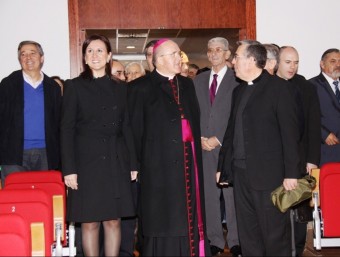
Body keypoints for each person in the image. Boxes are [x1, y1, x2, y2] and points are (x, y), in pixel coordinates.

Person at [217, 40, 301, 256]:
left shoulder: (278, 89)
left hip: (271, 177)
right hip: (241, 175)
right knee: (248, 235)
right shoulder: (238, 91)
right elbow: (231, 133)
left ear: (252, 60)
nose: (232, 61)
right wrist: (223, 166)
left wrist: (292, 173)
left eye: (237, 56)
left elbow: (290, 135)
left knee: (274, 235)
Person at [127, 38, 210, 256]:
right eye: (174, 54)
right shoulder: (140, 87)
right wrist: (134, 164)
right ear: (159, 60)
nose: (179, 58)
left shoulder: (187, 84)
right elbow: (133, 129)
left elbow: (194, 120)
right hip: (157, 165)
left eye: (179, 53)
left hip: (188, 162)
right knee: (161, 217)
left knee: (189, 213)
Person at [61, 34, 138, 257]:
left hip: (116, 162)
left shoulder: (121, 88)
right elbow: (66, 130)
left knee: (113, 221)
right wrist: (69, 169)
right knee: (90, 223)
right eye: (90, 51)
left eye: (99, 51)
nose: (94, 55)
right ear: (84, 58)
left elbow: (127, 128)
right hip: (86, 165)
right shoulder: (74, 86)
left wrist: (133, 163)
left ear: (109, 56)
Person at [193, 37, 241, 257]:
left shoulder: (237, 78)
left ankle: (236, 240)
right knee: (209, 196)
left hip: (227, 146)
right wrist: (200, 137)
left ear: (228, 54)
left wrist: (219, 138)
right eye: (210, 50)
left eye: (218, 50)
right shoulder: (198, 80)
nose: (213, 54)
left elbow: (237, 114)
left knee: (231, 196)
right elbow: (193, 112)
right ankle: (214, 239)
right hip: (203, 146)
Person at [276, 46, 321, 257]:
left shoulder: (306, 87)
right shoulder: (268, 86)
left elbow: (314, 125)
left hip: (302, 157)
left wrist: (312, 159)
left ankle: (299, 247)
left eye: (296, 62)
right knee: (278, 206)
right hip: (275, 158)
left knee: (301, 206)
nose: (292, 67)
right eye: (288, 62)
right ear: (277, 62)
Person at [0, 40, 61, 187]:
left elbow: (59, 122)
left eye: (32, 53)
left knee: (44, 197)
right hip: (14, 154)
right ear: (19, 59)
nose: (28, 57)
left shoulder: (52, 87)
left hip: (46, 153)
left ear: (41, 58)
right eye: (23, 54)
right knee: (16, 199)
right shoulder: (7, 85)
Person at [309, 48, 340, 165]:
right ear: (322, 64)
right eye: (333, 61)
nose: (338, 65)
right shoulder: (311, 85)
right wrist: (324, 134)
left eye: (339, 61)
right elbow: (306, 116)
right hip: (325, 149)